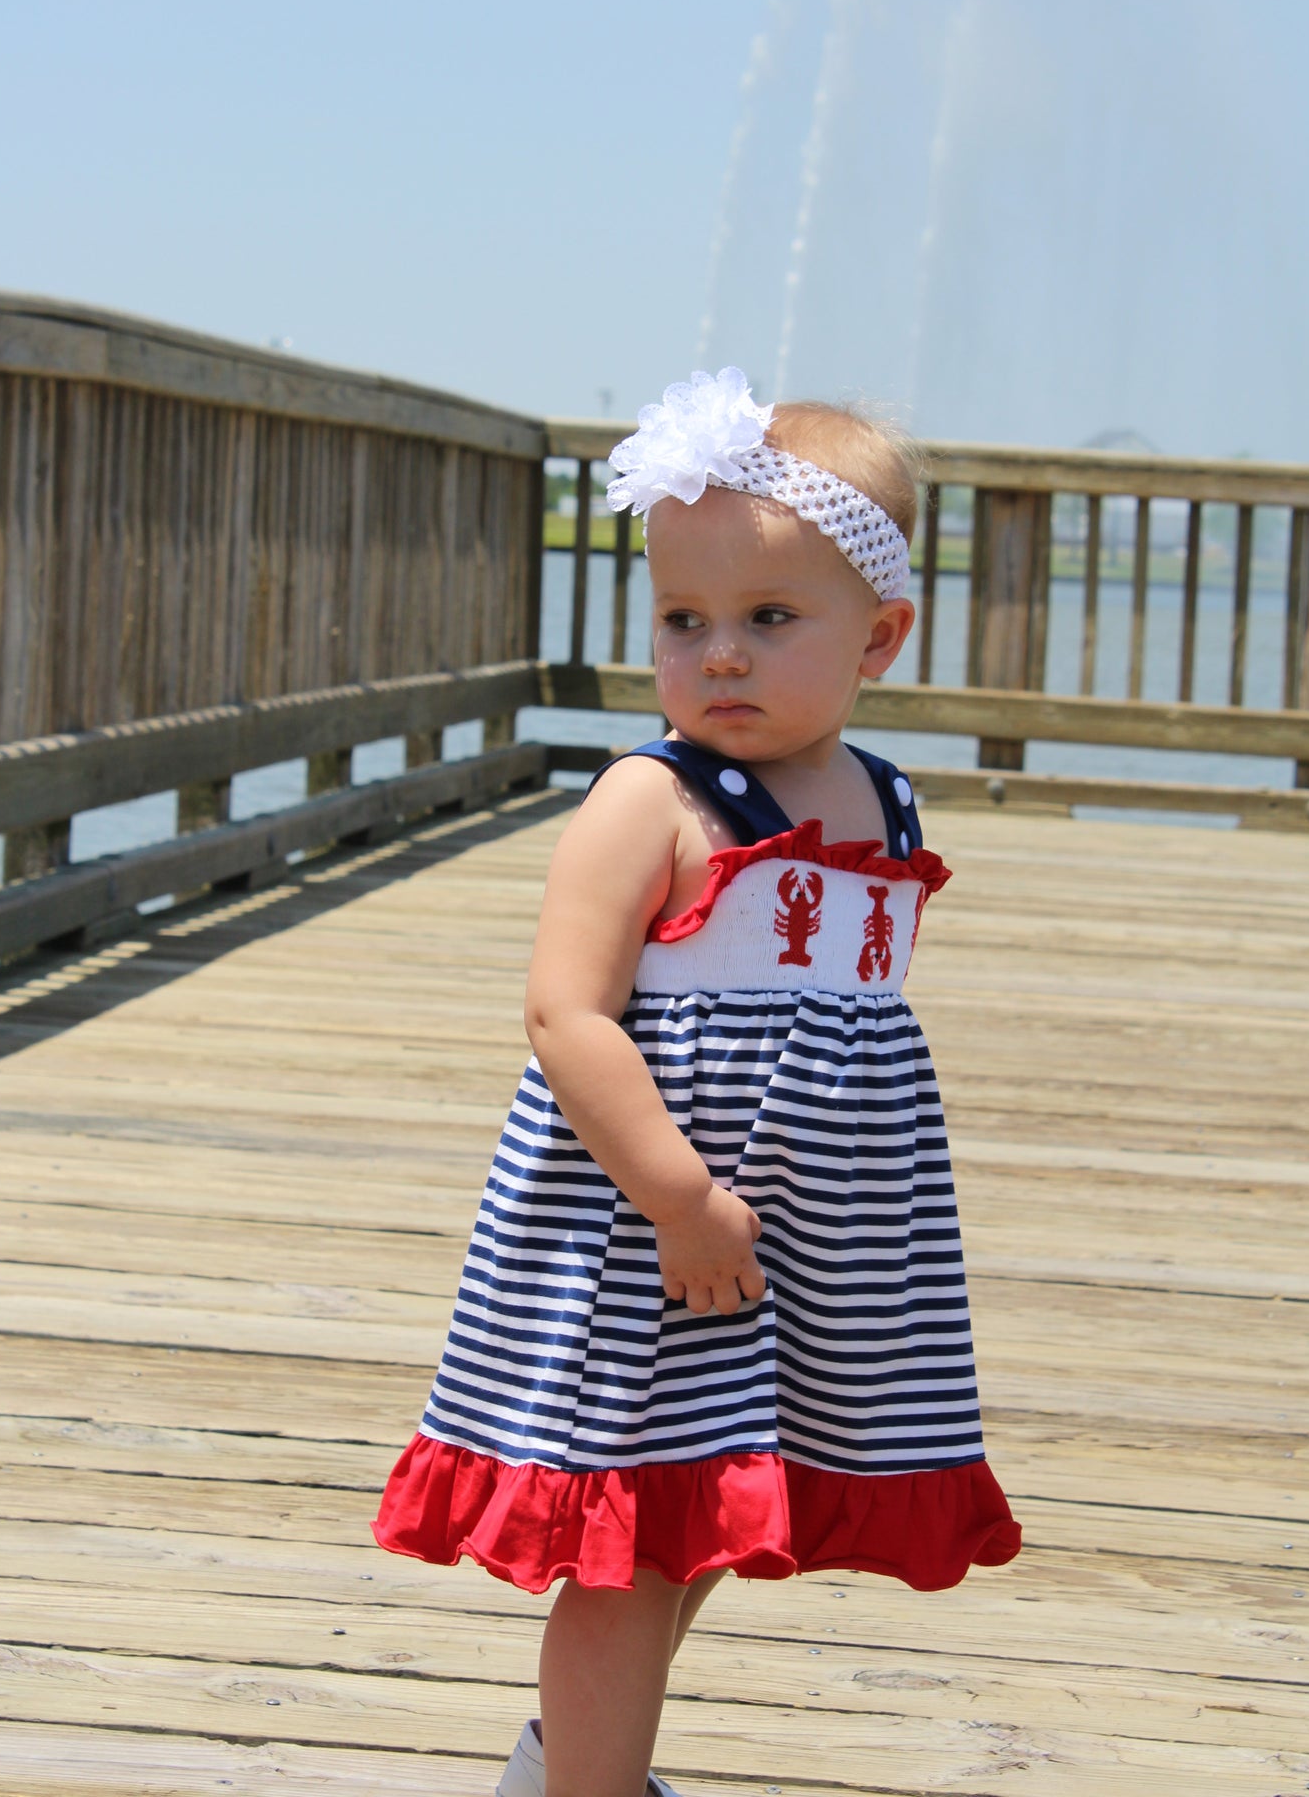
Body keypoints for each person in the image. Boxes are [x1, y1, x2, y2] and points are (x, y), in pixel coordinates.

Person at [373, 369, 1022, 1797]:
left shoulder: (880, 797)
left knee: (724, 1504)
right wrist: (677, 1197)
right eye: (683, 622)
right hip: (649, 1224)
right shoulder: (647, 803)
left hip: (813, 1227)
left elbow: (838, 1019)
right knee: (636, 1537)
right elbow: (567, 1015)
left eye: (768, 621)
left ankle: (564, 1762)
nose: (717, 656)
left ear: (880, 639)